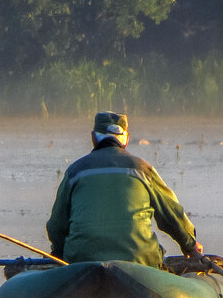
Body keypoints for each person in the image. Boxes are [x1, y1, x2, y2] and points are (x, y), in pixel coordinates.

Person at [46, 111, 204, 268]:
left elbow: (56, 226)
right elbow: (171, 215)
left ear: (93, 137)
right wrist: (189, 244)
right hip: (139, 258)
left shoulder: (75, 171)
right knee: (158, 254)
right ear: (126, 139)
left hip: (80, 259)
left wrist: (59, 254)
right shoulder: (143, 169)